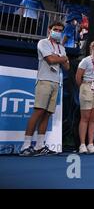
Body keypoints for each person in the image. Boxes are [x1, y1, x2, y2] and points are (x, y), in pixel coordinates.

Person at [19, 21, 70, 156]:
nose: (57, 32)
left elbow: (67, 67)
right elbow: (51, 60)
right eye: (55, 29)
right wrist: (62, 59)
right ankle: (25, 146)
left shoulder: (61, 48)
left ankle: (40, 146)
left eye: (60, 30)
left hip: (56, 82)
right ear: (49, 30)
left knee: (47, 114)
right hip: (44, 81)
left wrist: (60, 58)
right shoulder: (43, 43)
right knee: (38, 111)